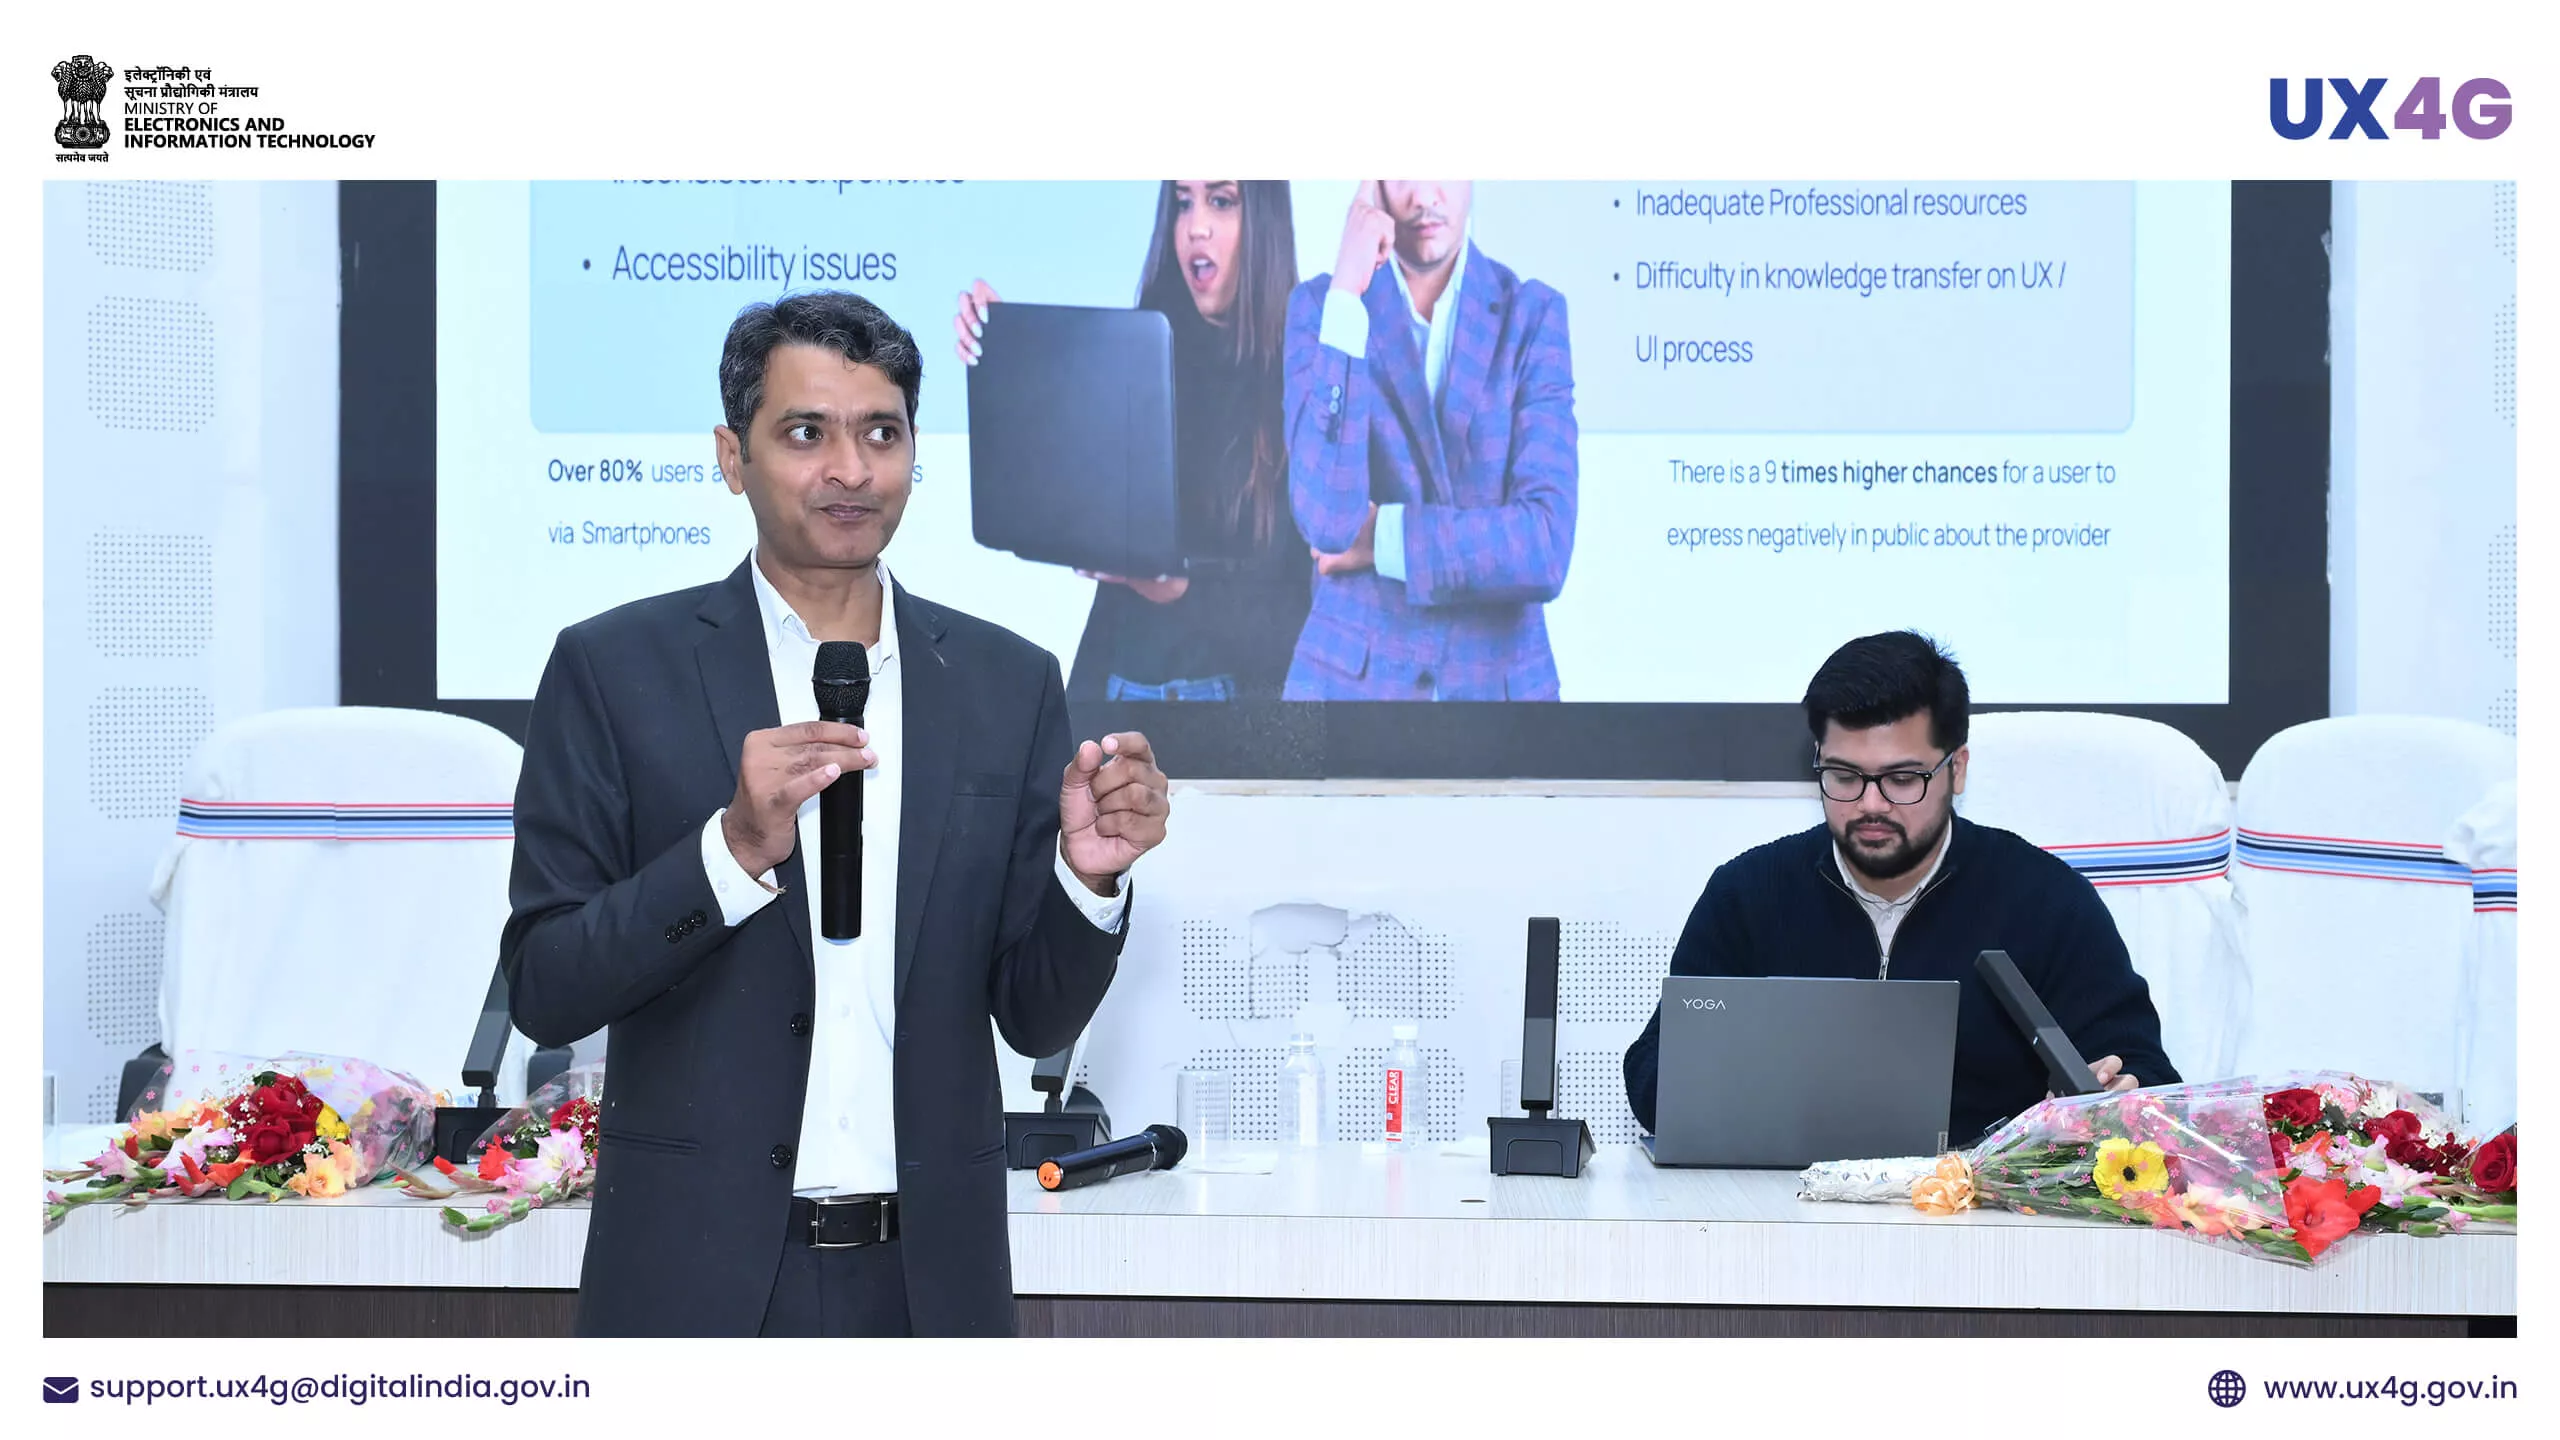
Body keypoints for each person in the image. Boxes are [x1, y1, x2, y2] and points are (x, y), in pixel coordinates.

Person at [501, 291, 1172, 1337]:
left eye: (881, 434)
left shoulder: (1007, 683)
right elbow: (546, 988)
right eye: (806, 433)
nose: (851, 470)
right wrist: (730, 852)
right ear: (732, 457)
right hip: (691, 1285)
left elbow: (1033, 1018)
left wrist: (1087, 881)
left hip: (929, 1291)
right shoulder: (614, 671)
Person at [1622, 632, 2177, 1144]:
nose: (1871, 804)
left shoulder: (2046, 899)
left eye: (1902, 779)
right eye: (1844, 776)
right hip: (1783, 1199)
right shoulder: (1748, 894)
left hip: (1979, 1204)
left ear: (1957, 769)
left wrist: (2114, 1094)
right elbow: (1654, 1080)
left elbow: (2144, 1074)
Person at [954, 180, 1310, 701]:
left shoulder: (1306, 377)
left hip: (1226, 711)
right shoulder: (1141, 350)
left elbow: (1298, 621)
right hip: (1114, 691)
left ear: (1265, 221)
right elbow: (1065, 499)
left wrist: (1178, 590)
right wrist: (1009, 349)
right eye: (1183, 203)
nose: (1196, 227)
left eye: (1222, 201)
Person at [1282, 180, 1578, 700]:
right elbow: (1326, 523)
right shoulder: (1322, 307)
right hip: (1351, 691)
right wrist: (1347, 294)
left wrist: (1382, 539)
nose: (1424, 196)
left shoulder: (1533, 315)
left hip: (1500, 692)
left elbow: (1544, 546)